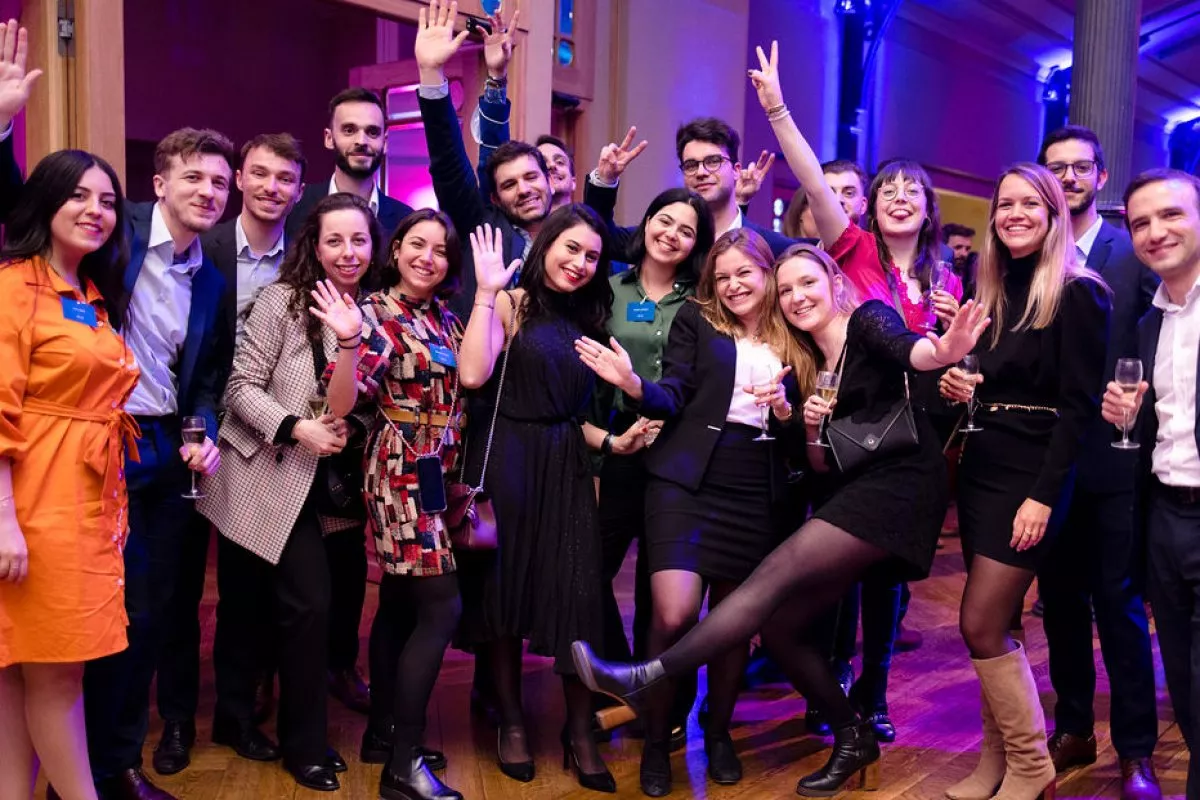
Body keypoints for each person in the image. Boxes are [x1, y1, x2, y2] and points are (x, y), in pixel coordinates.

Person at [571, 242, 989, 797]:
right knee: (782, 628)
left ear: (833, 283)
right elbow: (818, 459)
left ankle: (646, 678)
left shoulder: (865, 319)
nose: (797, 297)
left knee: (770, 578)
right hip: (849, 487)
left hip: (898, 487)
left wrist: (944, 351)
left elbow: (908, 348)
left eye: (806, 283)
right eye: (788, 289)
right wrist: (803, 420)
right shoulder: (809, 352)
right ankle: (852, 734)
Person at [754, 40, 960, 740]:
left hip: (915, 439)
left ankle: (875, 691)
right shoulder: (855, 252)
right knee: (837, 570)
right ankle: (833, 679)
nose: (899, 198)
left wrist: (959, 358)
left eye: (912, 191)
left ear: (929, 209)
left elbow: (950, 361)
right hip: (849, 428)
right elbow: (814, 183)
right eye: (888, 189)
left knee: (887, 582)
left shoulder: (945, 278)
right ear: (871, 206)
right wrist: (778, 110)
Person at [579, 227, 810, 795]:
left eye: (744, 273)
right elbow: (675, 391)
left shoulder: (794, 331)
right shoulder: (698, 321)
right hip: (685, 479)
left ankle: (720, 730)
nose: (733, 285)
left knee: (734, 624)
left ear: (768, 273)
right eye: (722, 276)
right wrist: (636, 385)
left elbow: (802, 432)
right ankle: (658, 738)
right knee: (674, 612)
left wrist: (785, 411)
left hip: (757, 488)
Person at [457, 205, 648, 793]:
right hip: (508, 459)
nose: (581, 263)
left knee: (576, 595)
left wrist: (613, 441)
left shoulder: (589, 319)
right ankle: (512, 721)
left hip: (565, 464)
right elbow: (472, 375)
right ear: (546, 245)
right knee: (504, 590)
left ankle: (580, 730)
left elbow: (568, 415)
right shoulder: (511, 303)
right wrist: (486, 293)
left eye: (592, 256)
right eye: (572, 248)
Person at [938, 163, 1110, 800]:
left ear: (1053, 214)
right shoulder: (987, 289)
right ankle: (997, 764)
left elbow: (1078, 409)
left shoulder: (1078, 292)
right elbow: (986, 379)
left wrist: (1043, 495)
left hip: (1033, 472)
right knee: (999, 626)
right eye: (1004, 203)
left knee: (979, 623)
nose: (1014, 214)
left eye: (1029, 204)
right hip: (983, 463)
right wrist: (959, 384)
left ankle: (1032, 766)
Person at [198, 193, 379, 792]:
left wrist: (352, 404)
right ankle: (240, 722)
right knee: (246, 607)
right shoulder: (281, 300)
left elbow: (360, 403)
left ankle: (302, 742)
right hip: (260, 471)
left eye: (359, 240)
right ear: (314, 246)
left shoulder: (372, 315)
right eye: (335, 240)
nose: (348, 252)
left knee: (309, 608)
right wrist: (297, 427)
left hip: (324, 484)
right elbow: (240, 388)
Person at [151, 132, 308, 777]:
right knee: (181, 586)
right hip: (195, 432)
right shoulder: (203, 244)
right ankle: (177, 718)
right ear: (241, 178)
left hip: (267, 445)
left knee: (247, 591)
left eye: (285, 179)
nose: (271, 187)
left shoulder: (307, 254)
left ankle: (238, 714)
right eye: (259, 174)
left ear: (299, 190)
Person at [79, 127, 228, 800]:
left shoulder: (211, 277)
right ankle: (74, 764)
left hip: (167, 448)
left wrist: (203, 431)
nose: (208, 191)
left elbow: (207, 376)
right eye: (193, 177)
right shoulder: (117, 233)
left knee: (153, 609)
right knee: (92, 603)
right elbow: (25, 208)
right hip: (96, 438)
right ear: (160, 183)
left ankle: (116, 765)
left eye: (219, 182)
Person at [315, 208, 467, 800]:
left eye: (441, 250)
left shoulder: (445, 317)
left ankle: (383, 732)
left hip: (436, 473)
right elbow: (342, 400)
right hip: (400, 474)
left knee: (401, 606)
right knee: (442, 608)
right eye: (417, 245)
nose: (428, 258)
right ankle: (404, 765)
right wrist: (349, 341)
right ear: (396, 249)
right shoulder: (374, 313)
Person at [0, 147, 136, 800]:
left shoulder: (91, 296)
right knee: (57, 675)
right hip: (35, 506)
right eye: (79, 195)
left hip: (83, 500)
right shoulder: (14, 286)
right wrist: (4, 520)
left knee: (19, 675)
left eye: (107, 201)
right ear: (46, 202)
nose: (95, 211)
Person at [1034, 126, 1161, 800]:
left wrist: (1143, 401)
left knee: (1118, 605)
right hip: (1048, 464)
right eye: (1056, 168)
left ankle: (1136, 751)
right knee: (1059, 604)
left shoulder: (1130, 254)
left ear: (1100, 177)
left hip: (1115, 459)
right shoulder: (1031, 254)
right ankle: (1074, 728)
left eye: (1080, 167)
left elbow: (1158, 340)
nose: (1069, 178)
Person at [591, 187, 714, 752]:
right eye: (665, 221)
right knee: (592, 570)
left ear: (696, 244)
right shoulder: (609, 288)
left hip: (677, 452)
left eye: (687, 231)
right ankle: (619, 679)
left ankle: (663, 704)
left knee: (660, 590)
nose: (672, 235)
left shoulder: (703, 300)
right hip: (620, 445)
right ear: (645, 224)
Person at [1100, 168, 1200, 800]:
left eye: (1172, 215)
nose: (1155, 232)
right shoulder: (1148, 325)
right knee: (1184, 686)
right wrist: (1127, 415)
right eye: (1141, 223)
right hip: (1165, 516)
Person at [414, 0, 553, 319]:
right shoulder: (482, 228)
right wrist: (431, 74)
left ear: (549, 180)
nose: (524, 189)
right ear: (494, 197)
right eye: (509, 185)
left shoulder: (569, 235)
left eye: (531, 177)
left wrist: (497, 78)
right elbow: (449, 163)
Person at [584, 117, 797, 261]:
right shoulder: (667, 238)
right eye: (691, 165)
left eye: (713, 161)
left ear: (736, 170)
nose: (701, 172)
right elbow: (603, 239)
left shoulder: (771, 246)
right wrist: (605, 179)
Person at [286, 87, 413, 242]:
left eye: (372, 132)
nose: (361, 141)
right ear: (329, 138)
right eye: (349, 130)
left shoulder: (405, 222)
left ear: (385, 142)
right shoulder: (293, 207)